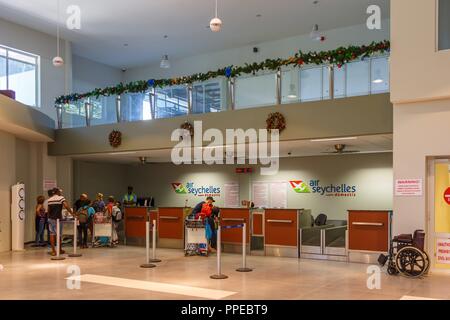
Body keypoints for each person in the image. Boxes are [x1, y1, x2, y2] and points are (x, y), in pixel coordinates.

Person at [47, 188, 73, 256]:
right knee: (59, 235)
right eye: (60, 191)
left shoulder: (49, 199)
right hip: (57, 219)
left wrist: (49, 217)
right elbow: (66, 205)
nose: (61, 193)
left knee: (52, 234)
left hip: (50, 219)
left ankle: (53, 251)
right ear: (57, 192)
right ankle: (59, 250)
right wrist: (72, 213)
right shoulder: (61, 198)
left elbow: (48, 210)